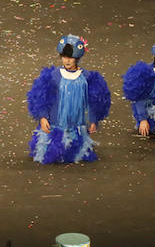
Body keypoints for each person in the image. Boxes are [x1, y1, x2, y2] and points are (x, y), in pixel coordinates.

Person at [27, 35, 111, 163]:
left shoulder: (87, 78)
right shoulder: (53, 76)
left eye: (71, 58)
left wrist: (93, 120)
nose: (67, 61)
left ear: (77, 58)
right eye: (65, 57)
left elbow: (95, 101)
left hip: (77, 124)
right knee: (53, 154)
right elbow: (41, 97)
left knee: (74, 153)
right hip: (55, 124)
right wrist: (43, 117)